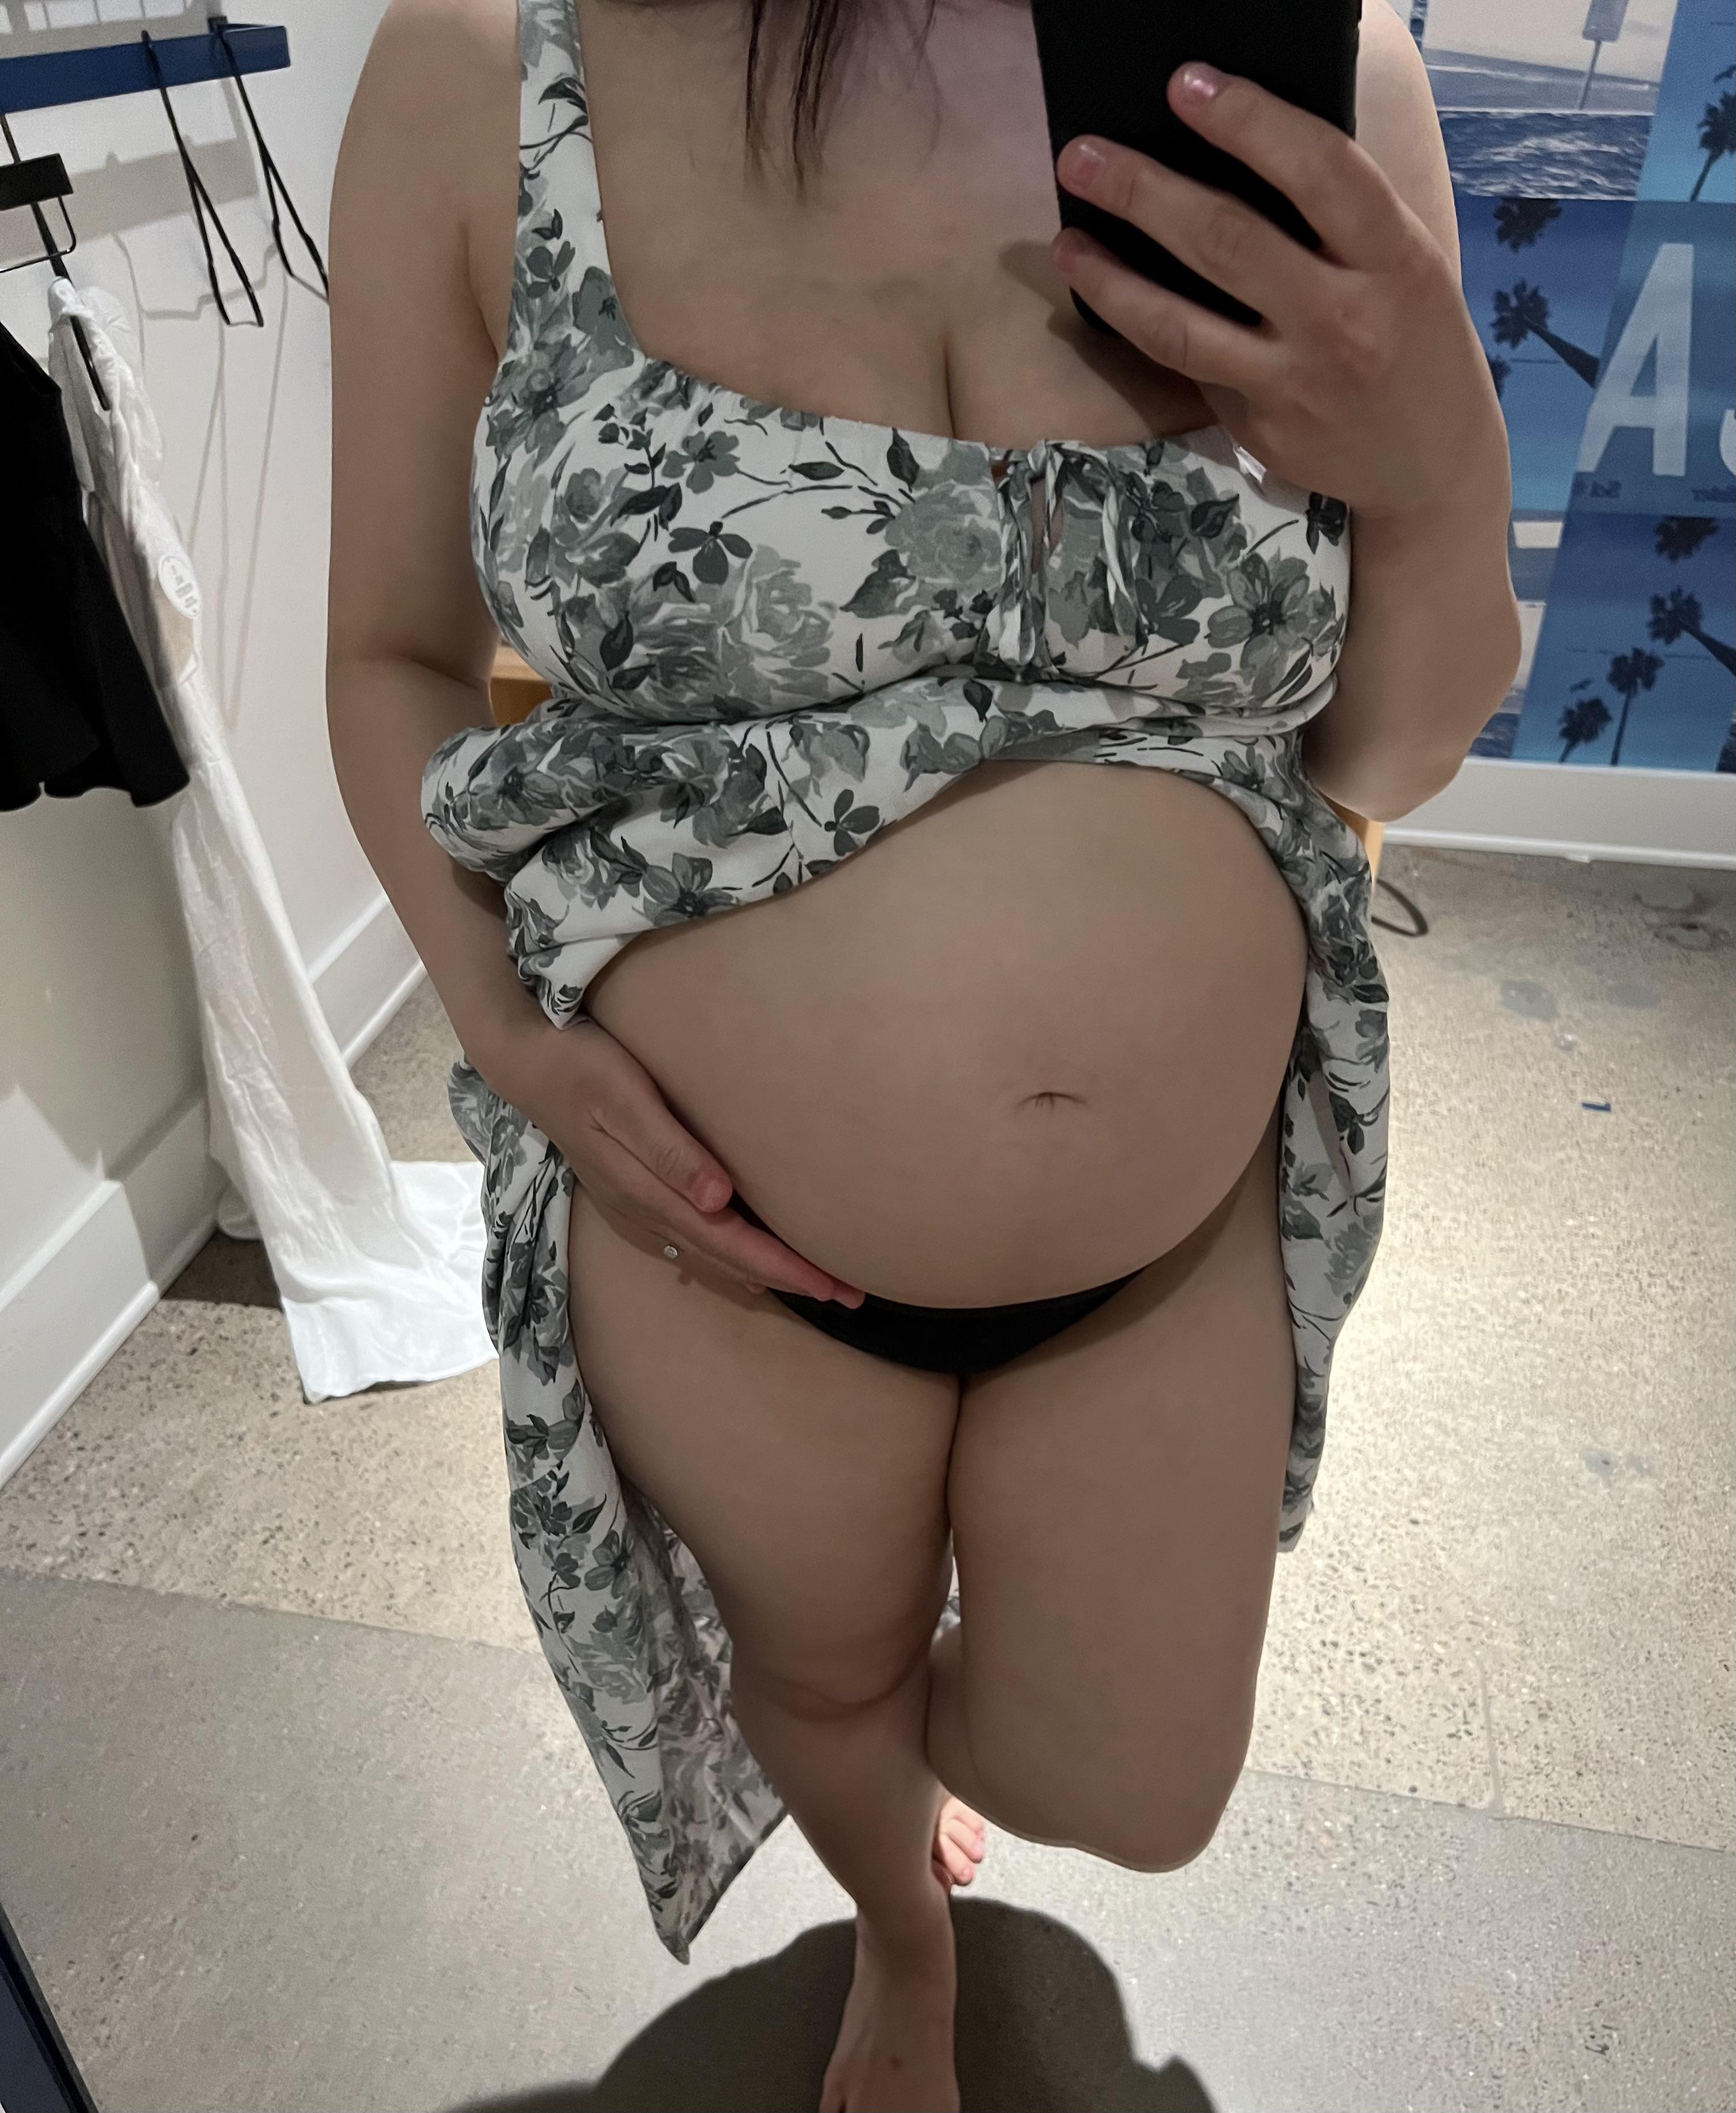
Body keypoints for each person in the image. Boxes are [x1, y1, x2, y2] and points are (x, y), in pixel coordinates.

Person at [325, 2, 1518, 2106]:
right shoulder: (484, 67)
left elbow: (1387, 752)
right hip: (717, 1238)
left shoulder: (1320, 72)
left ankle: (920, 1775)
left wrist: (1437, 469)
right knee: (824, 1671)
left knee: (1134, 1786)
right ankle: (901, 1933)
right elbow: (388, 650)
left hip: (1164, 1244)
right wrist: (502, 1038)